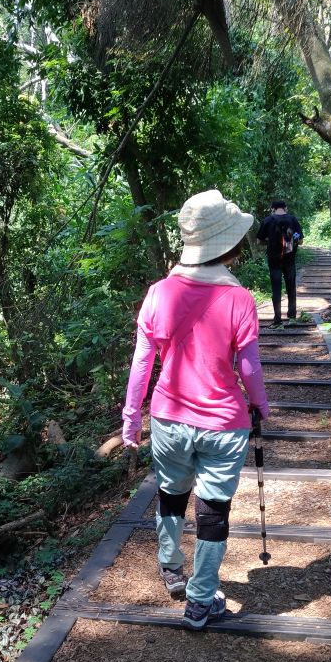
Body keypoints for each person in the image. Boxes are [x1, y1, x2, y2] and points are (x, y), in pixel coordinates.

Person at [121, 189, 269, 630]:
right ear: (228, 243)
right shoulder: (239, 299)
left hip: (168, 419)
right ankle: (202, 600)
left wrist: (132, 419)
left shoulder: (158, 294)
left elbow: (142, 363)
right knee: (213, 511)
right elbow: (250, 367)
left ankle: (171, 566)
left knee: (171, 494)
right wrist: (259, 405)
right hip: (224, 423)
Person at [256, 199, 304, 327]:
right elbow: (300, 241)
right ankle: (292, 317)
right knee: (291, 287)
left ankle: (278, 321)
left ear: (272, 209)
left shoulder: (267, 221)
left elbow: (259, 242)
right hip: (290, 259)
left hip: (274, 260)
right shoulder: (293, 220)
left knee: (276, 289)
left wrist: (270, 241)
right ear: (285, 208)